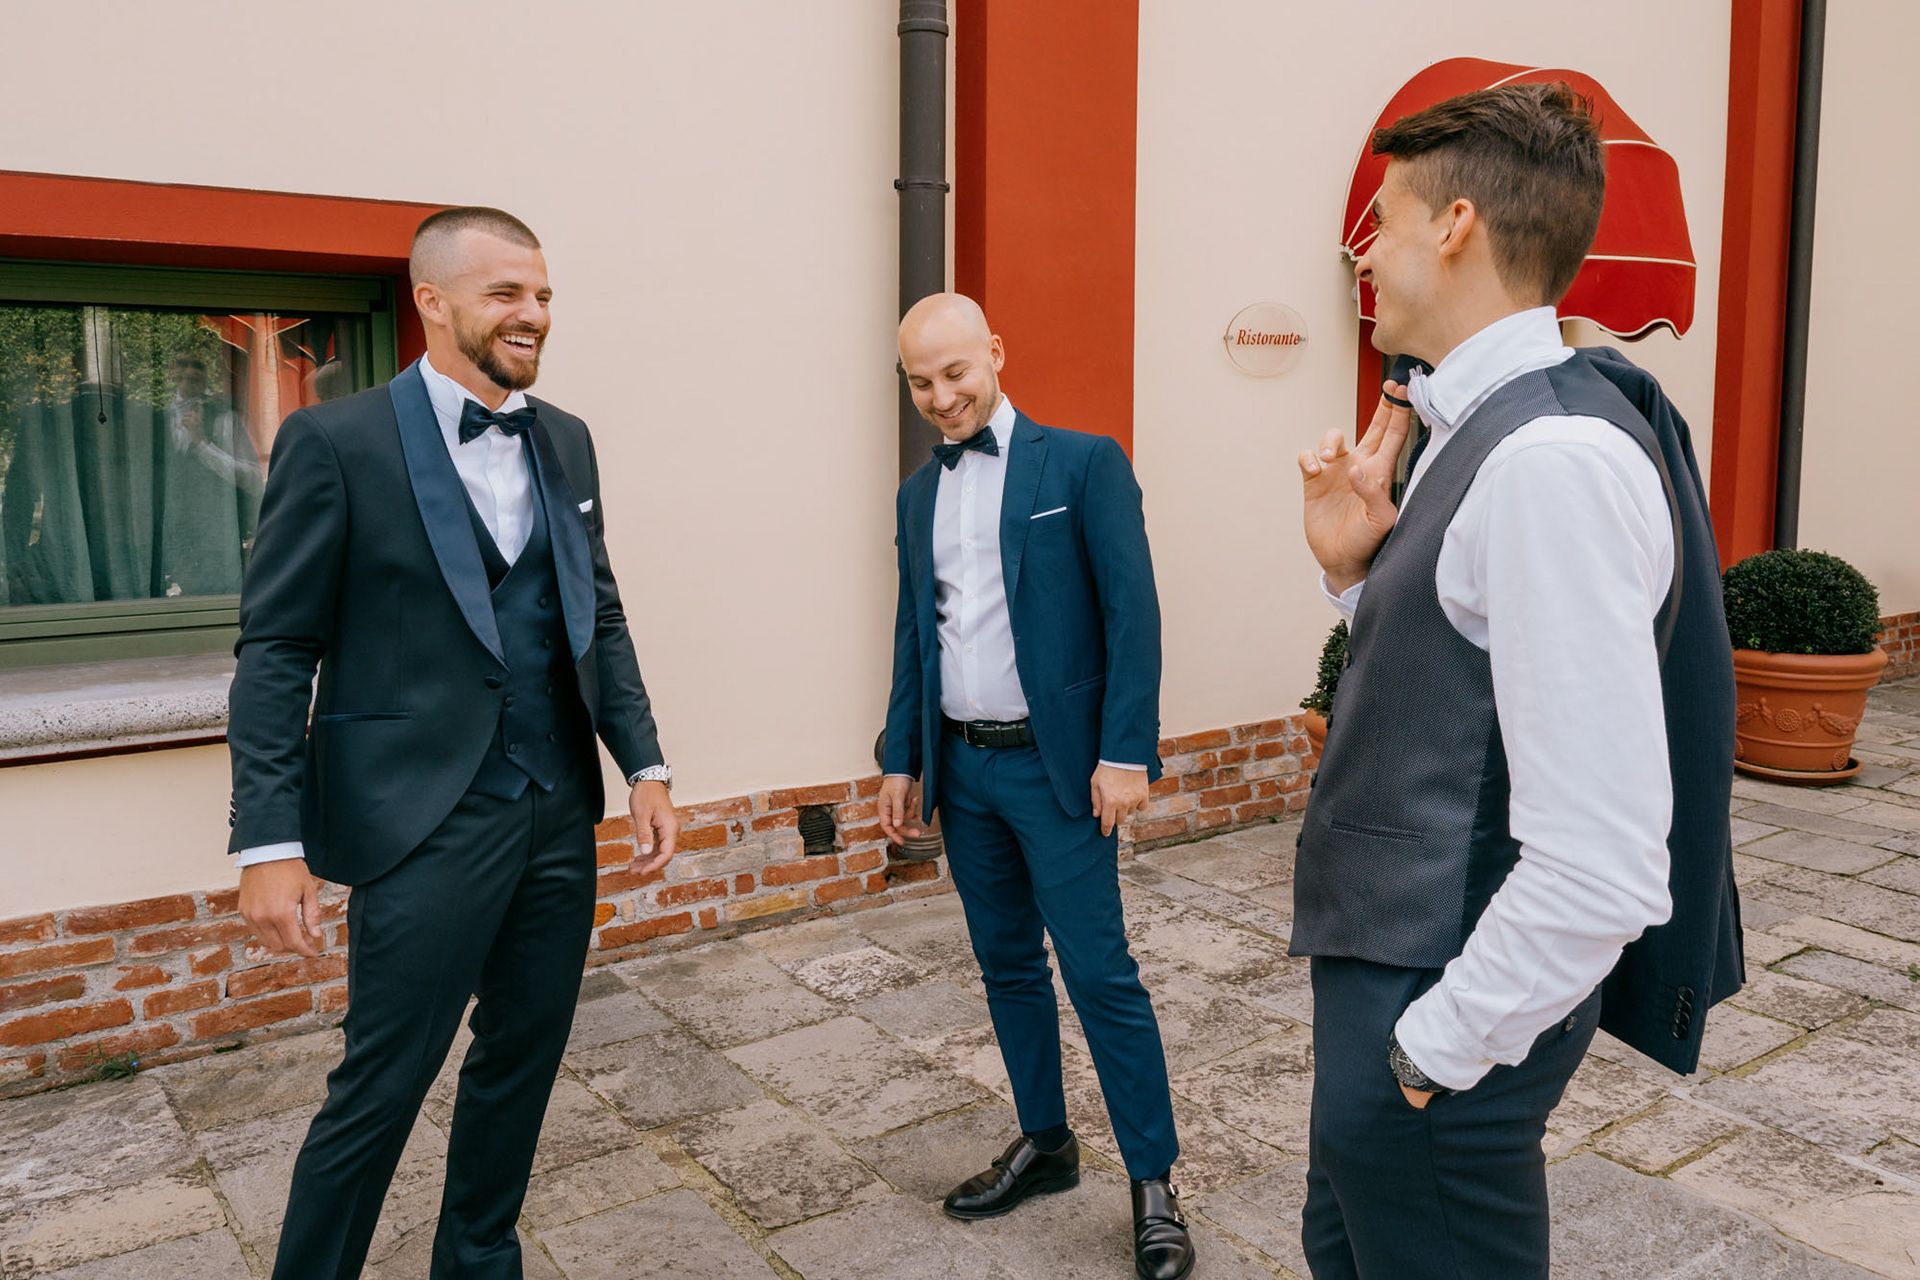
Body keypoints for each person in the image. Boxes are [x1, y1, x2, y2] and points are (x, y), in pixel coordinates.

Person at [1291, 83, 1740, 1279]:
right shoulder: (1479, 426)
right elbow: (1459, 680)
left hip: (1436, 1011)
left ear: (1456, 225)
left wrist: (1427, 1052)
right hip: (1396, 985)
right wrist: (1356, 575)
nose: (1362, 253)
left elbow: (1600, 858)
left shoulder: (1550, 461)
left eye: (1381, 220)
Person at [227, 206, 679, 1280]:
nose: (535, 314)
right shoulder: (337, 441)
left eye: (544, 294)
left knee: (522, 1059)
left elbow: (598, 610)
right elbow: (278, 648)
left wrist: (644, 763)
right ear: (430, 300)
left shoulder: (565, 435)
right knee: (381, 1086)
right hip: (421, 818)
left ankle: (478, 1258)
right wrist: (269, 840)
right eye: (506, 293)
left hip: (557, 808)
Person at [878, 293, 1194, 1280]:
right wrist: (901, 755)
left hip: (1058, 771)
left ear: (996, 354)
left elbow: (1133, 610)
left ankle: (1153, 1179)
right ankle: (1047, 1141)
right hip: (963, 768)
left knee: (1100, 972)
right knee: (1006, 964)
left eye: (955, 373)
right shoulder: (916, 496)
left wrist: (1125, 751)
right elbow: (915, 633)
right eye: (921, 382)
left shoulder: (1084, 464)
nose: (942, 397)